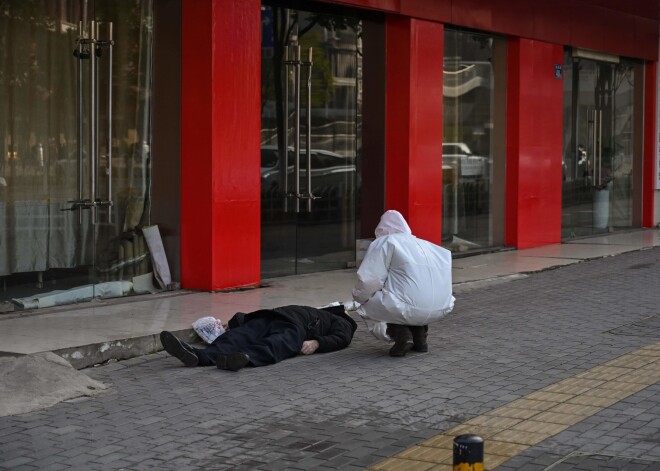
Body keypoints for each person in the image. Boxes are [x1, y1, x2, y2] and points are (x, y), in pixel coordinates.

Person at [352, 210, 455, 357]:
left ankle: (401, 336)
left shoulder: (386, 241)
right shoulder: (425, 245)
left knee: (367, 304)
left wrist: (358, 297)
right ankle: (420, 338)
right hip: (441, 306)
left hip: (407, 306)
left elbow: (370, 279)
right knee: (404, 298)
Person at [160, 304, 357, 371]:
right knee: (238, 336)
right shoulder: (323, 312)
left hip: (292, 326)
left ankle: (232, 359)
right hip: (278, 318)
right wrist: (238, 321)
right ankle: (200, 356)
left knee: (270, 343)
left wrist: (317, 343)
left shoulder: (343, 321)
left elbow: (342, 338)